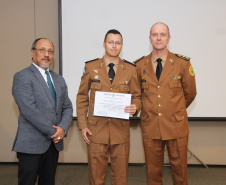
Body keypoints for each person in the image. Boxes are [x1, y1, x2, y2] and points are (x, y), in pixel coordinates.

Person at [76, 29, 141, 185]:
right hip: (96, 131)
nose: (114, 46)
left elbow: (137, 96)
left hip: (121, 131)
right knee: (96, 177)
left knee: (120, 177)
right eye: (111, 42)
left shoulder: (131, 69)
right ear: (104, 44)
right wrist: (82, 125)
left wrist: (135, 107)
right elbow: (82, 97)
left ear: (122, 46)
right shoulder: (91, 67)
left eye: (117, 43)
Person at [135, 22, 197, 185]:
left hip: (176, 125)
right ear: (150, 38)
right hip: (151, 126)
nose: (158, 38)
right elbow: (137, 95)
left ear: (169, 38)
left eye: (162, 34)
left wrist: (174, 110)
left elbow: (190, 93)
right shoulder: (139, 65)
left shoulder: (182, 63)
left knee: (180, 171)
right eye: (155, 34)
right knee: (153, 172)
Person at [12, 38, 73, 185]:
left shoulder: (59, 80)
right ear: (32, 52)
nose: (47, 54)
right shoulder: (22, 76)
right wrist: (54, 132)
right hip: (31, 145)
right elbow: (29, 110)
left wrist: (63, 128)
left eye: (50, 51)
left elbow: (67, 108)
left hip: (53, 146)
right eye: (42, 50)